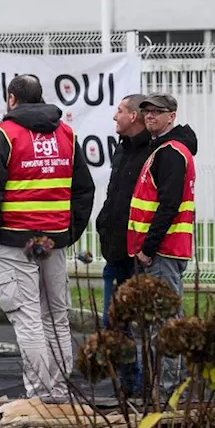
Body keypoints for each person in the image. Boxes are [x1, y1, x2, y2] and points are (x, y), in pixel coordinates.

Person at [0, 74, 96, 401]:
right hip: (53, 242)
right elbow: (84, 189)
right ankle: (59, 391)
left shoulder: (4, 134)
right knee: (55, 316)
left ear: (12, 99)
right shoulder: (66, 134)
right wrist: (68, 232)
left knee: (27, 318)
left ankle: (39, 394)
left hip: (14, 241)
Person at [126, 93, 198, 400]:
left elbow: (169, 204)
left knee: (166, 325)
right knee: (158, 324)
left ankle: (171, 395)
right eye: (147, 112)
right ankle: (164, 391)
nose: (151, 116)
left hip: (162, 253)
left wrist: (148, 247)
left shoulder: (170, 152)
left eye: (158, 112)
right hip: (159, 252)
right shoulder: (162, 149)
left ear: (172, 115)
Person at [95, 93, 156, 394]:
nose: (114, 116)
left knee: (148, 323)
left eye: (119, 111)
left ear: (133, 116)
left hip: (141, 254)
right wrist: (104, 223)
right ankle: (130, 382)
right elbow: (114, 194)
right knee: (113, 320)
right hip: (116, 251)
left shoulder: (153, 151)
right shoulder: (122, 150)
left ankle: (150, 384)